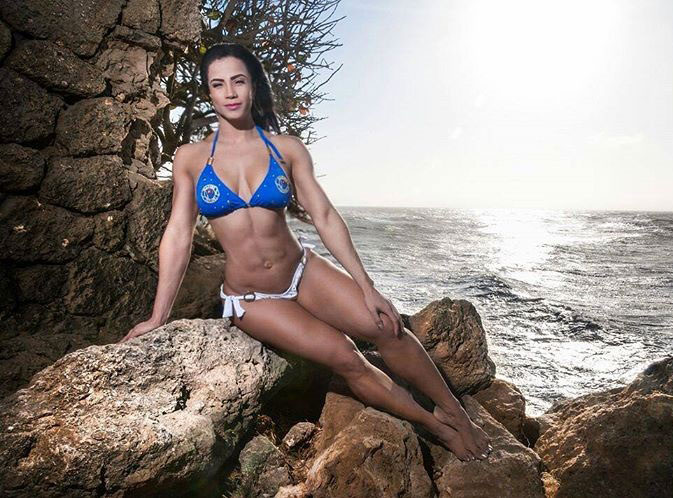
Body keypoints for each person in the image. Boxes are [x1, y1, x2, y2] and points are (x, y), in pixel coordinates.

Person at [118, 42, 491, 462]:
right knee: (346, 357)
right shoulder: (190, 157)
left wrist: (367, 286)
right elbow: (179, 235)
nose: (230, 92)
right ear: (209, 93)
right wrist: (158, 315)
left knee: (386, 326)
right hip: (253, 299)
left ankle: (456, 413)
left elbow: (325, 217)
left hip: (302, 271)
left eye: (238, 81)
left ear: (253, 86)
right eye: (218, 84)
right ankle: (435, 427)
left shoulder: (286, 148)